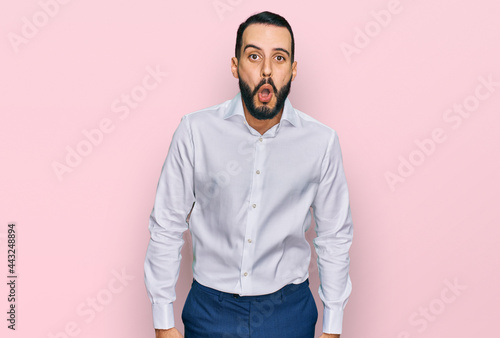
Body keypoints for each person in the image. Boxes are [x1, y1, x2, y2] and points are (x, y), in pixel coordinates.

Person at [144, 11, 353, 338]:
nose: (266, 70)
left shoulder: (321, 142)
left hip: (289, 312)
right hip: (210, 310)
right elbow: (167, 224)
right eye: (254, 56)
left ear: (293, 70)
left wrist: (333, 325)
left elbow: (334, 235)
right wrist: (163, 320)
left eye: (279, 58)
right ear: (235, 65)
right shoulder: (195, 132)